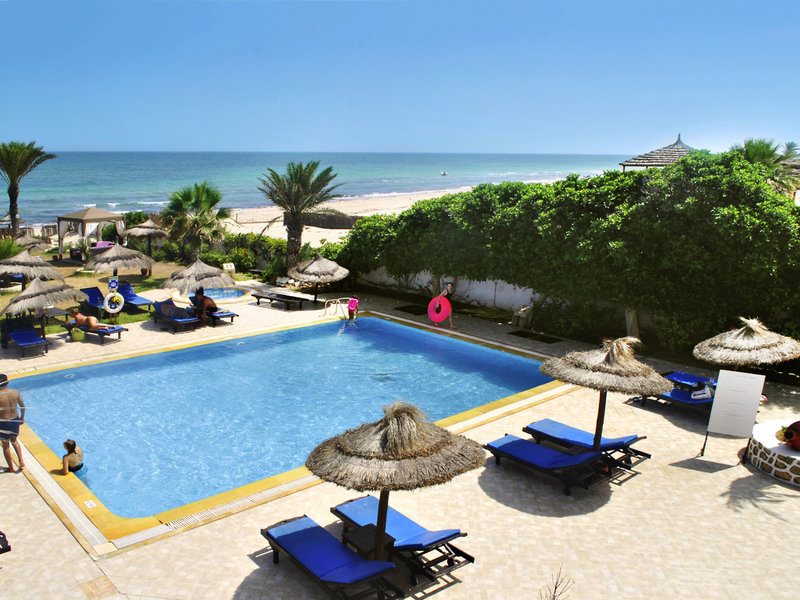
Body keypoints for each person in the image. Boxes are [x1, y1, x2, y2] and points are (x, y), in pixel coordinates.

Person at [0, 374, 25, 473]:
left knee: (6, 445)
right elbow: (22, 406)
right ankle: (21, 461)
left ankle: (11, 468)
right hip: (15, 420)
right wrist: (22, 417)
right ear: (7, 382)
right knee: (14, 441)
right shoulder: (15, 392)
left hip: (3, 422)